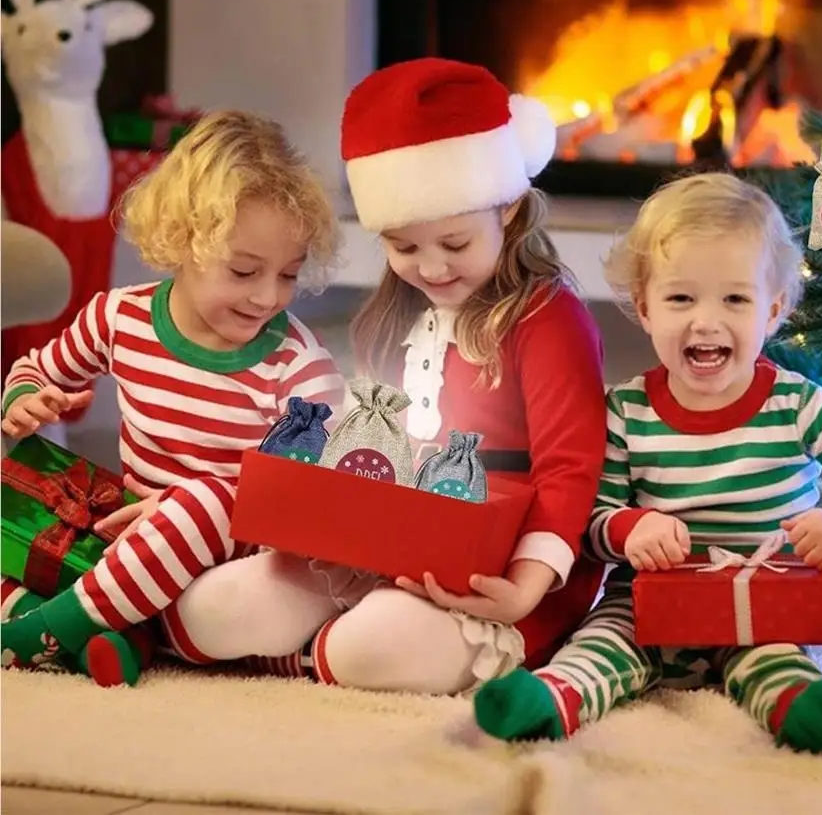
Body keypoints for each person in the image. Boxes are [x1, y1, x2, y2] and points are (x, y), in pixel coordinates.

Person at [165, 58, 609, 695]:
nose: (430, 267)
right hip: (391, 546)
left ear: (508, 209)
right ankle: (312, 646)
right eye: (404, 247)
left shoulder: (547, 317)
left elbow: (570, 469)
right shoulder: (394, 314)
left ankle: (303, 659)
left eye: (454, 244)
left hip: (503, 570)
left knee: (373, 646)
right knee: (217, 608)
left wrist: (525, 589)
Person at [472, 172, 822, 754]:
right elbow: (590, 522)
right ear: (644, 308)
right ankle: (549, 699)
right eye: (681, 298)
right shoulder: (627, 410)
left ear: (774, 311)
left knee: (773, 660)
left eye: (735, 299)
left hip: (763, 600)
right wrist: (631, 529)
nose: (706, 321)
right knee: (598, 644)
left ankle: (805, 708)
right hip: (649, 602)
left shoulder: (799, 405)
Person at [0, 111, 345, 686]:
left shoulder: (300, 366)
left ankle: (43, 632)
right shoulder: (120, 317)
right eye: (244, 271)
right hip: (122, 549)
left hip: (229, 561)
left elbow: (303, 500)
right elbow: (38, 369)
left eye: (288, 275)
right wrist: (25, 398)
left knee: (204, 502)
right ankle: (119, 637)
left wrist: (187, 509)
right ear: (184, 242)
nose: (267, 297)